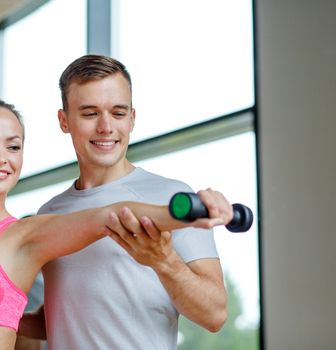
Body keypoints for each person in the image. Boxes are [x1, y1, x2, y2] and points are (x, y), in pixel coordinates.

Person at [0, 96, 232, 350]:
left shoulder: (23, 236)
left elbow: (109, 214)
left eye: (14, 146)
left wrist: (187, 212)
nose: (1, 157)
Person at [20, 54, 229, 349]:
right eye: (90, 114)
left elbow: (215, 314)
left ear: (132, 118)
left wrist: (164, 261)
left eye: (118, 113)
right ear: (64, 120)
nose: (106, 127)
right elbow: (65, 317)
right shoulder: (50, 213)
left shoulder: (172, 199)